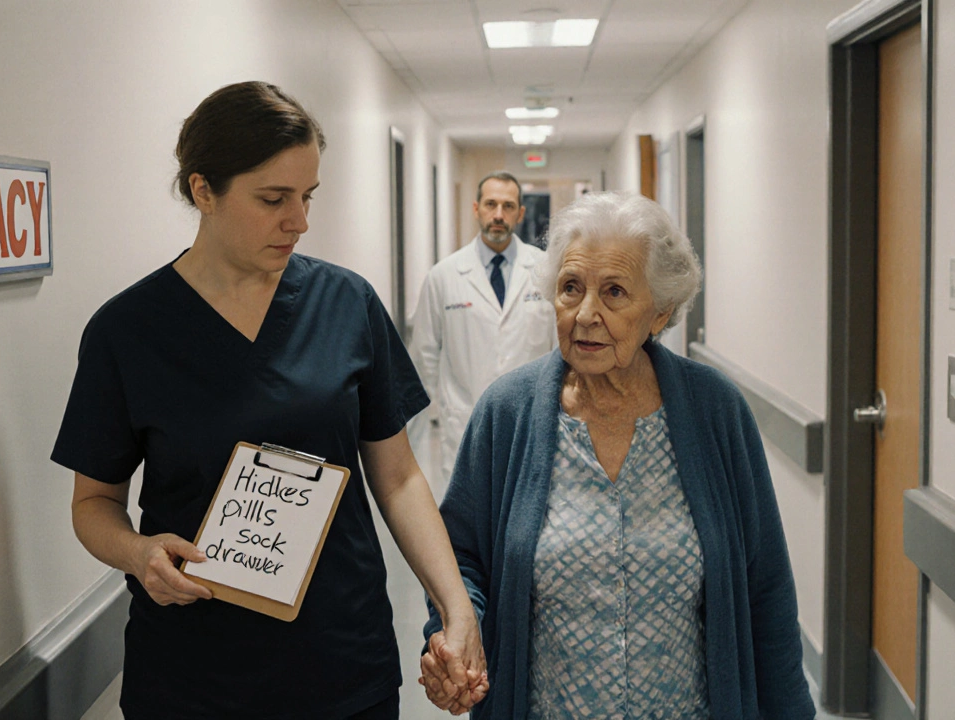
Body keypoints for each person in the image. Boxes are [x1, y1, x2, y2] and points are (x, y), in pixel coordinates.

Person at [51, 81, 486, 720]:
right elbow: (94, 504)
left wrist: (454, 605)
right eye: (273, 199)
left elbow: (396, 478)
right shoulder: (128, 331)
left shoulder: (347, 304)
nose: (299, 221)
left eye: (307, 196)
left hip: (341, 659)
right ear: (204, 191)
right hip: (192, 674)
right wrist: (137, 553)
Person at [419, 191, 815, 719]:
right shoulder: (506, 413)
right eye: (570, 288)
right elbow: (459, 556)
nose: (586, 314)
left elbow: (765, 587)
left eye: (614, 292)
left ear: (661, 311)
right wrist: (453, 633)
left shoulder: (714, 411)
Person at [407, 171, 557, 489]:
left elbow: (560, 351)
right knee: (469, 526)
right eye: (491, 204)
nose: (499, 215)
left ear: (521, 213)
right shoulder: (443, 276)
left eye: (508, 205)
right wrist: (423, 431)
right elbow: (424, 360)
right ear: (476, 209)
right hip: (463, 426)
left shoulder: (547, 271)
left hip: (531, 424)